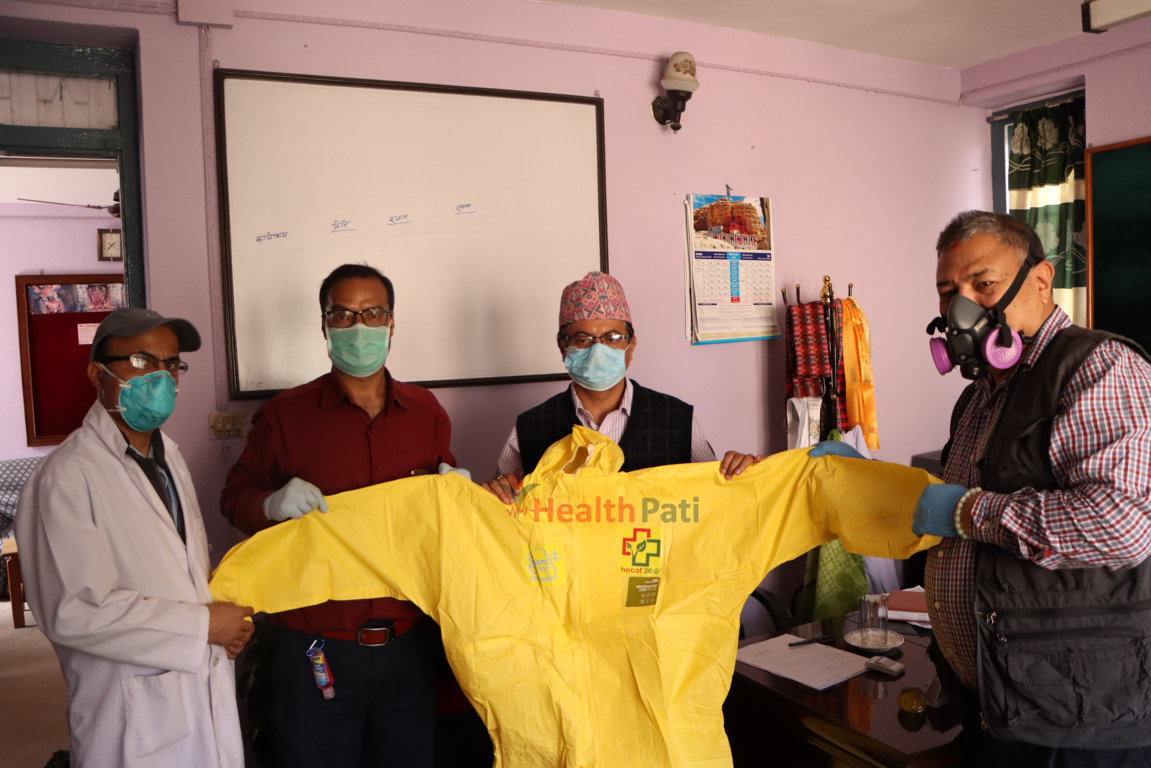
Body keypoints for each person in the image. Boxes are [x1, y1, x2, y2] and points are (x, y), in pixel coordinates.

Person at [914, 211, 1151, 764]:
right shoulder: (977, 398)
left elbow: (1121, 524)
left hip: (1077, 719)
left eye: (983, 284)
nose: (961, 309)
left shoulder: (1097, 368)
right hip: (998, 703)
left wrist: (971, 513)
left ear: (1041, 281)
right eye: (948, 292)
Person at [221, 263, 458, 768]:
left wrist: (455, 492)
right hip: (316, 645)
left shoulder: (427, 413)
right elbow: (233, 496)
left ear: (391, 322)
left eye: (372, 313)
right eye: (343, 315)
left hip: (408, 646)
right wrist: (270, 503)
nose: (358, 327)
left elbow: (442, 511)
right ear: (324, 324)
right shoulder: (285, 416)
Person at [15, 307, 253, 767]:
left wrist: (217, 621)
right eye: (142, 361)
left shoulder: (169, 459)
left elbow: (178, 570)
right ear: (97, 374)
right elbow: (75, 611)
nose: (161, 377)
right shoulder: (64, 477)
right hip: (129, 716)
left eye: (171, 363)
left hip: (194, 683)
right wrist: (203, 626)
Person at [482, 271, 760, 503]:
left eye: (612, 338)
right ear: (563, 348)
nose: (598, 350)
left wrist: (744, 472)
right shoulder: (529, 428)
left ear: (631, 345)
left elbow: (716, 497)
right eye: (582, 339)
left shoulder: (676, 419)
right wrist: (497, 492)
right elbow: (501, 512)